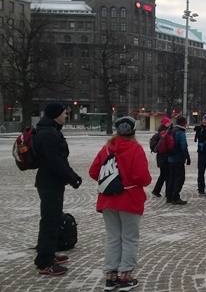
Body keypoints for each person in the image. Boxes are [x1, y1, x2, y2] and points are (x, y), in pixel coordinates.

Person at [88, 116, 152, 291]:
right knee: (130, 238)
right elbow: (141, 177)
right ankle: (125, 276)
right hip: (129, 198)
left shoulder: (106, 149)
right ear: (133, 131)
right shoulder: (135, 149)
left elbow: (94, 172)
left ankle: (111, 276)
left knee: (113, 238)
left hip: (107, 199)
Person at [32, 102, 82, 276]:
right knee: (50, 222)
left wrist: (73, 176)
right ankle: (44, 262)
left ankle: (48, 254)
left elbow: (59, 160)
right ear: (56, 114)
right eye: (64, 112)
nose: (66, 115)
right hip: (49, 183)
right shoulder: (48, 133)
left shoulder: (50, 130)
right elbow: (55, 162)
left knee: (52, 220)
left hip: (51, 182)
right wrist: (71, 178)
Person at [166, 116, 190, 205]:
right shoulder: (180, 133)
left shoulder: (171, 130)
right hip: (178, 159)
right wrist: (187, 157)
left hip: (170, 158)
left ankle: (169, 197)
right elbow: (183, 146)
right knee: (179, 178)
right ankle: (175, 197)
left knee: (171, 178)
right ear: (184, 123)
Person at [151, 117, 172, 198]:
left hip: (160, 156)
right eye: (168, 122)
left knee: (163, 174)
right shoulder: (165, 132)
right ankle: (167, 192)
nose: (169, 123)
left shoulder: (161, 131)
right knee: (167, 175)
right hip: (164, 156)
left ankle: (156, 190)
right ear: (164, 123)